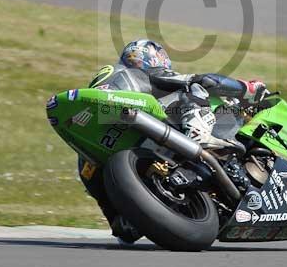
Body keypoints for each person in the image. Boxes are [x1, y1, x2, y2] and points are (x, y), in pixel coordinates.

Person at [80, 39, 268, 244]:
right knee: (197, 86)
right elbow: (206, 80)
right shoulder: (145, 75)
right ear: (150, 57)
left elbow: (123, 233)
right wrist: (247, 88)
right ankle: (201, 135)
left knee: (119, 220)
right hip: (141, 128)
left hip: (117, 142)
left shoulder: (112, 85)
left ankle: (129, 215)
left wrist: (124, 217)